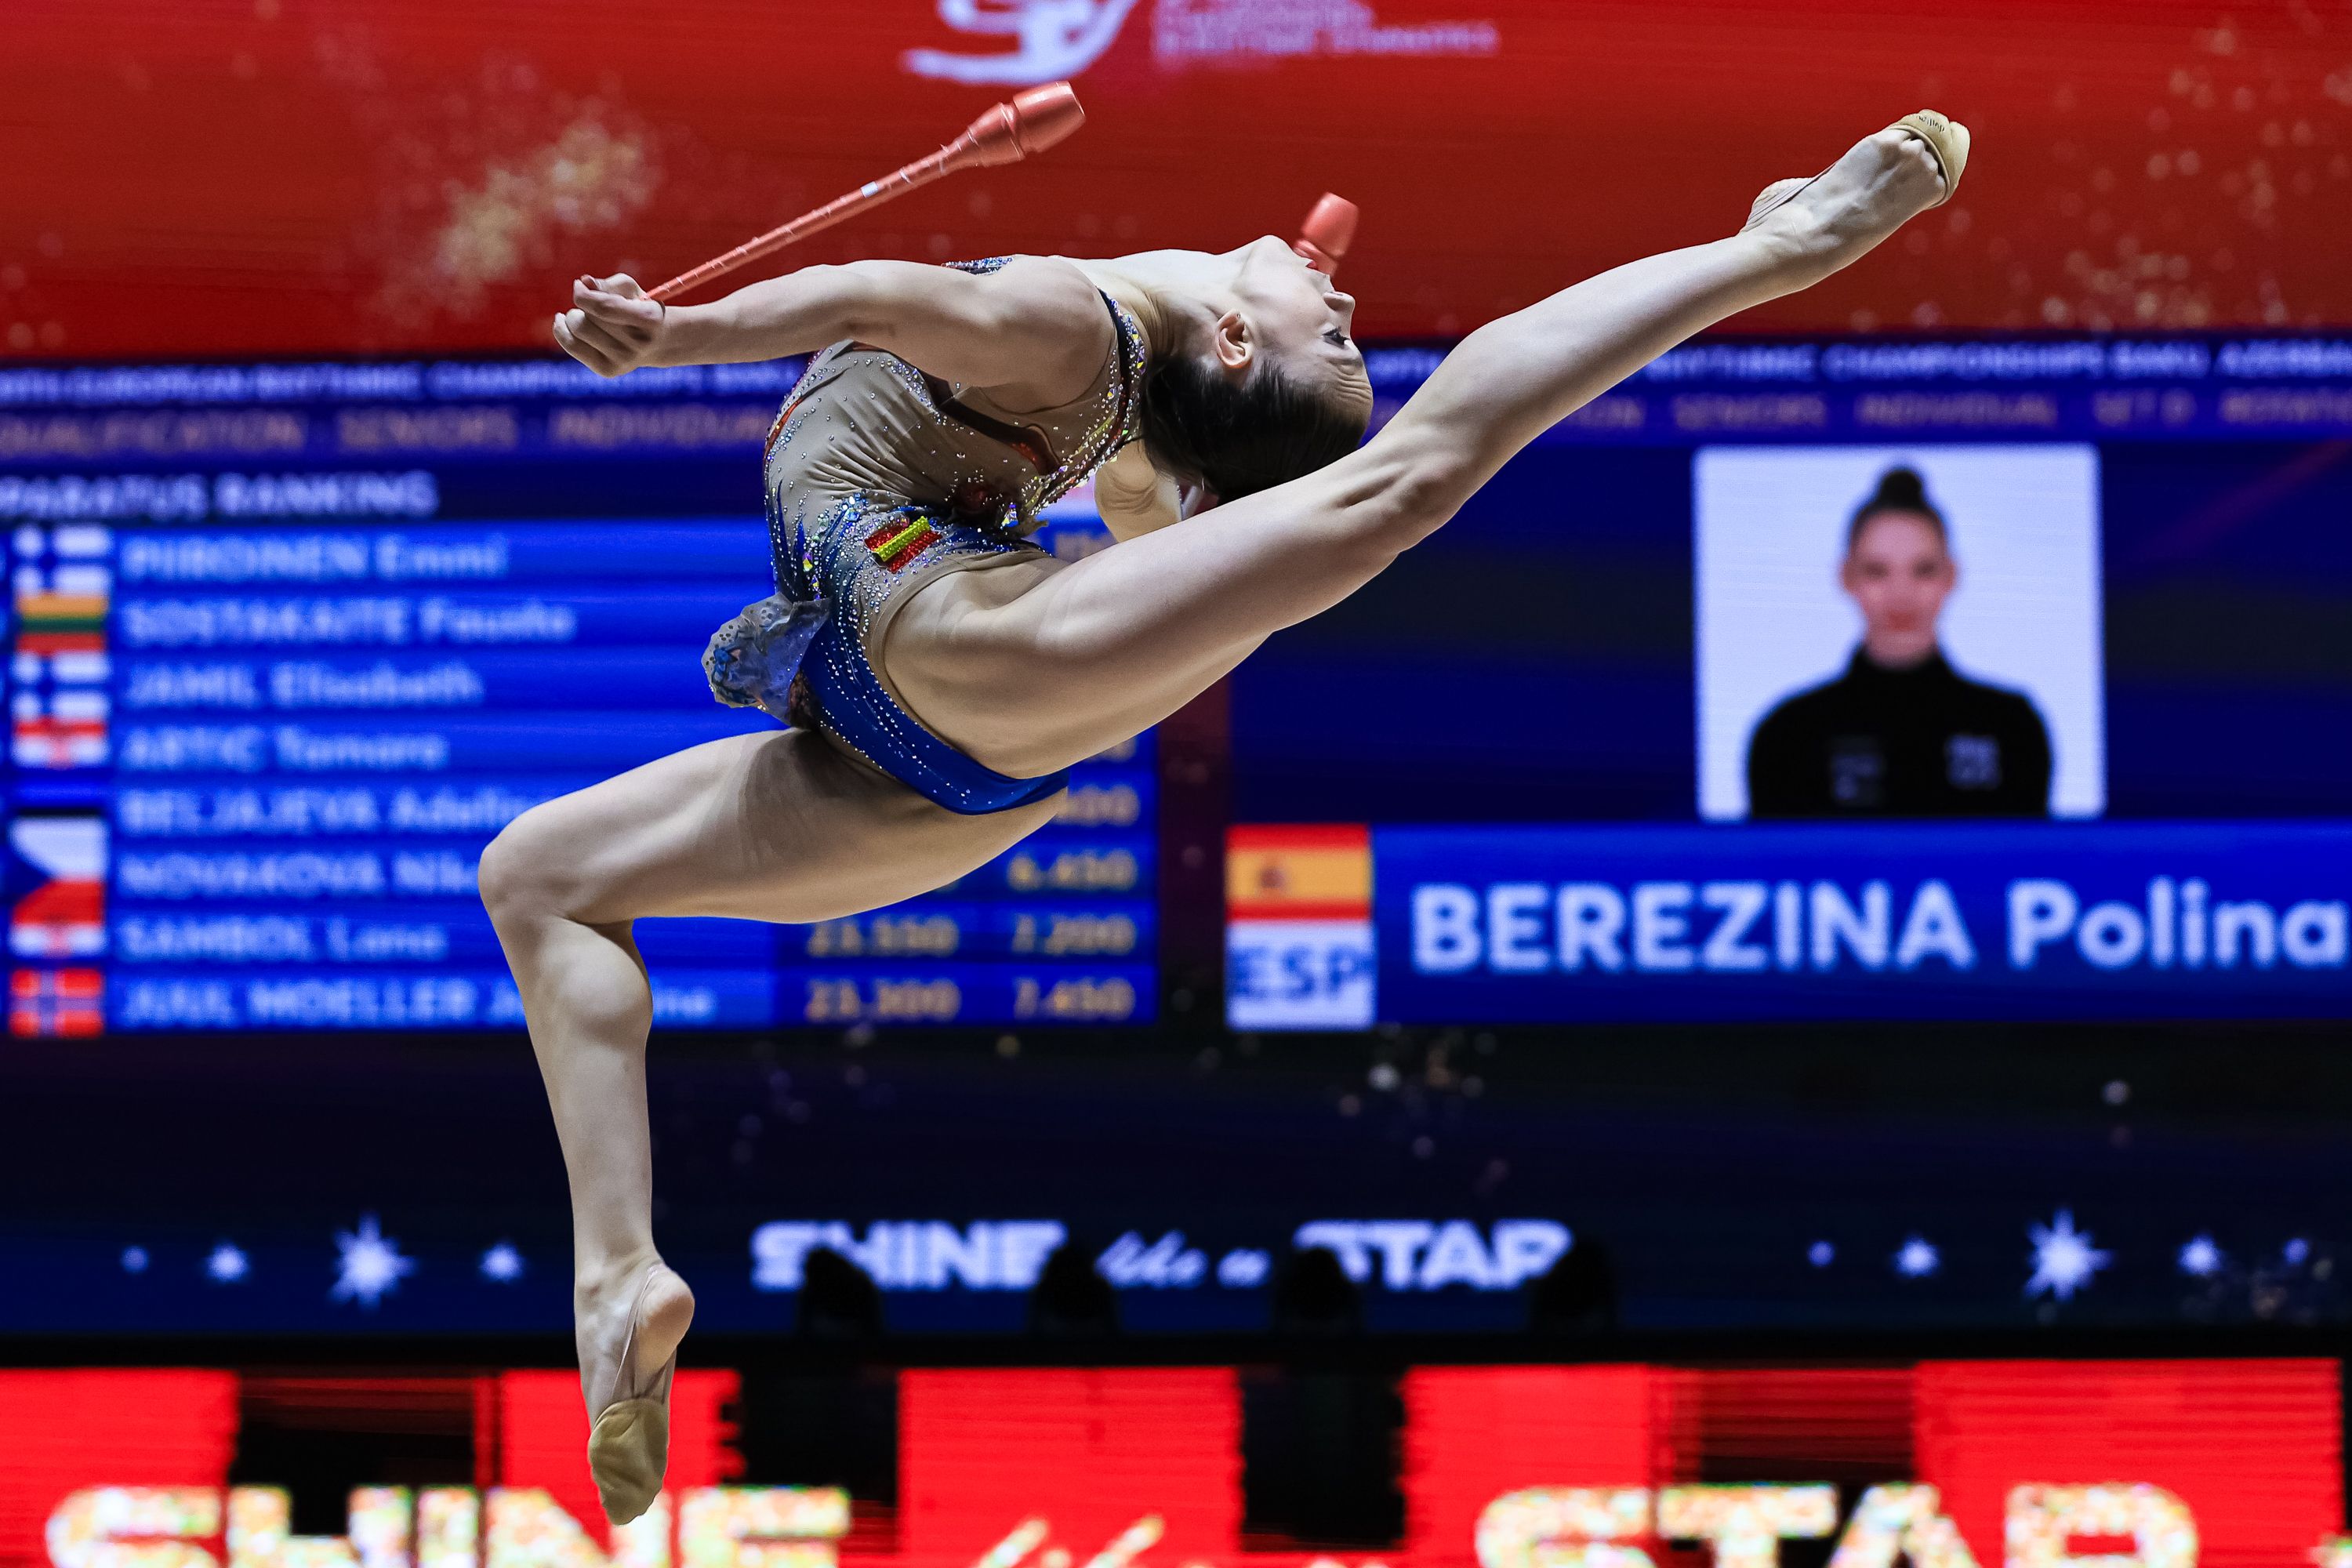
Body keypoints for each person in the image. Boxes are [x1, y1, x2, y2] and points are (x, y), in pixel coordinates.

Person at [484, 111, 1969, 1523]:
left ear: (1239, 341)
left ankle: (1788, 245)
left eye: (1332, 328)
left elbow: (876, 291)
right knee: (538, 875)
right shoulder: (1134, 409)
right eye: (1344, 325)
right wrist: (1217, 524)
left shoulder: (1074, 320)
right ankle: (616, 1275)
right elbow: (1159, 518)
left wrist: (677, 335)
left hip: (960, 651)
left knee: (1403, 485)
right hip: (934, 776)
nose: (1343, 289)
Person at [1744, 464, 2051, 817]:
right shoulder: (1789, 735)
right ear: (1847, 577)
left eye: (1923, 570)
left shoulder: (2010, 727)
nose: (1901, 596)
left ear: (1950, 576)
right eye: (1877, 571)